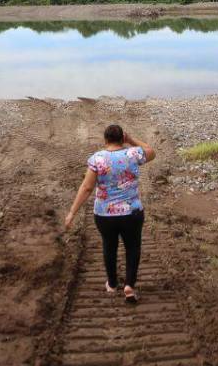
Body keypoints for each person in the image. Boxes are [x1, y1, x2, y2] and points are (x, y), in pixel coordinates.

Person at [64, 124, 156, 303]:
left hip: (105, 215)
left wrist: (72, 212)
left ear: (105, 140)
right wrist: (131, 140)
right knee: (133, 247)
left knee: (109, 246)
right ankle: (129, 285)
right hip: (132, 212)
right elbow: (151, 151)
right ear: (122, 138)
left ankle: (112, 284)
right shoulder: (133, 154)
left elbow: (87, 187)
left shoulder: (97, 158)